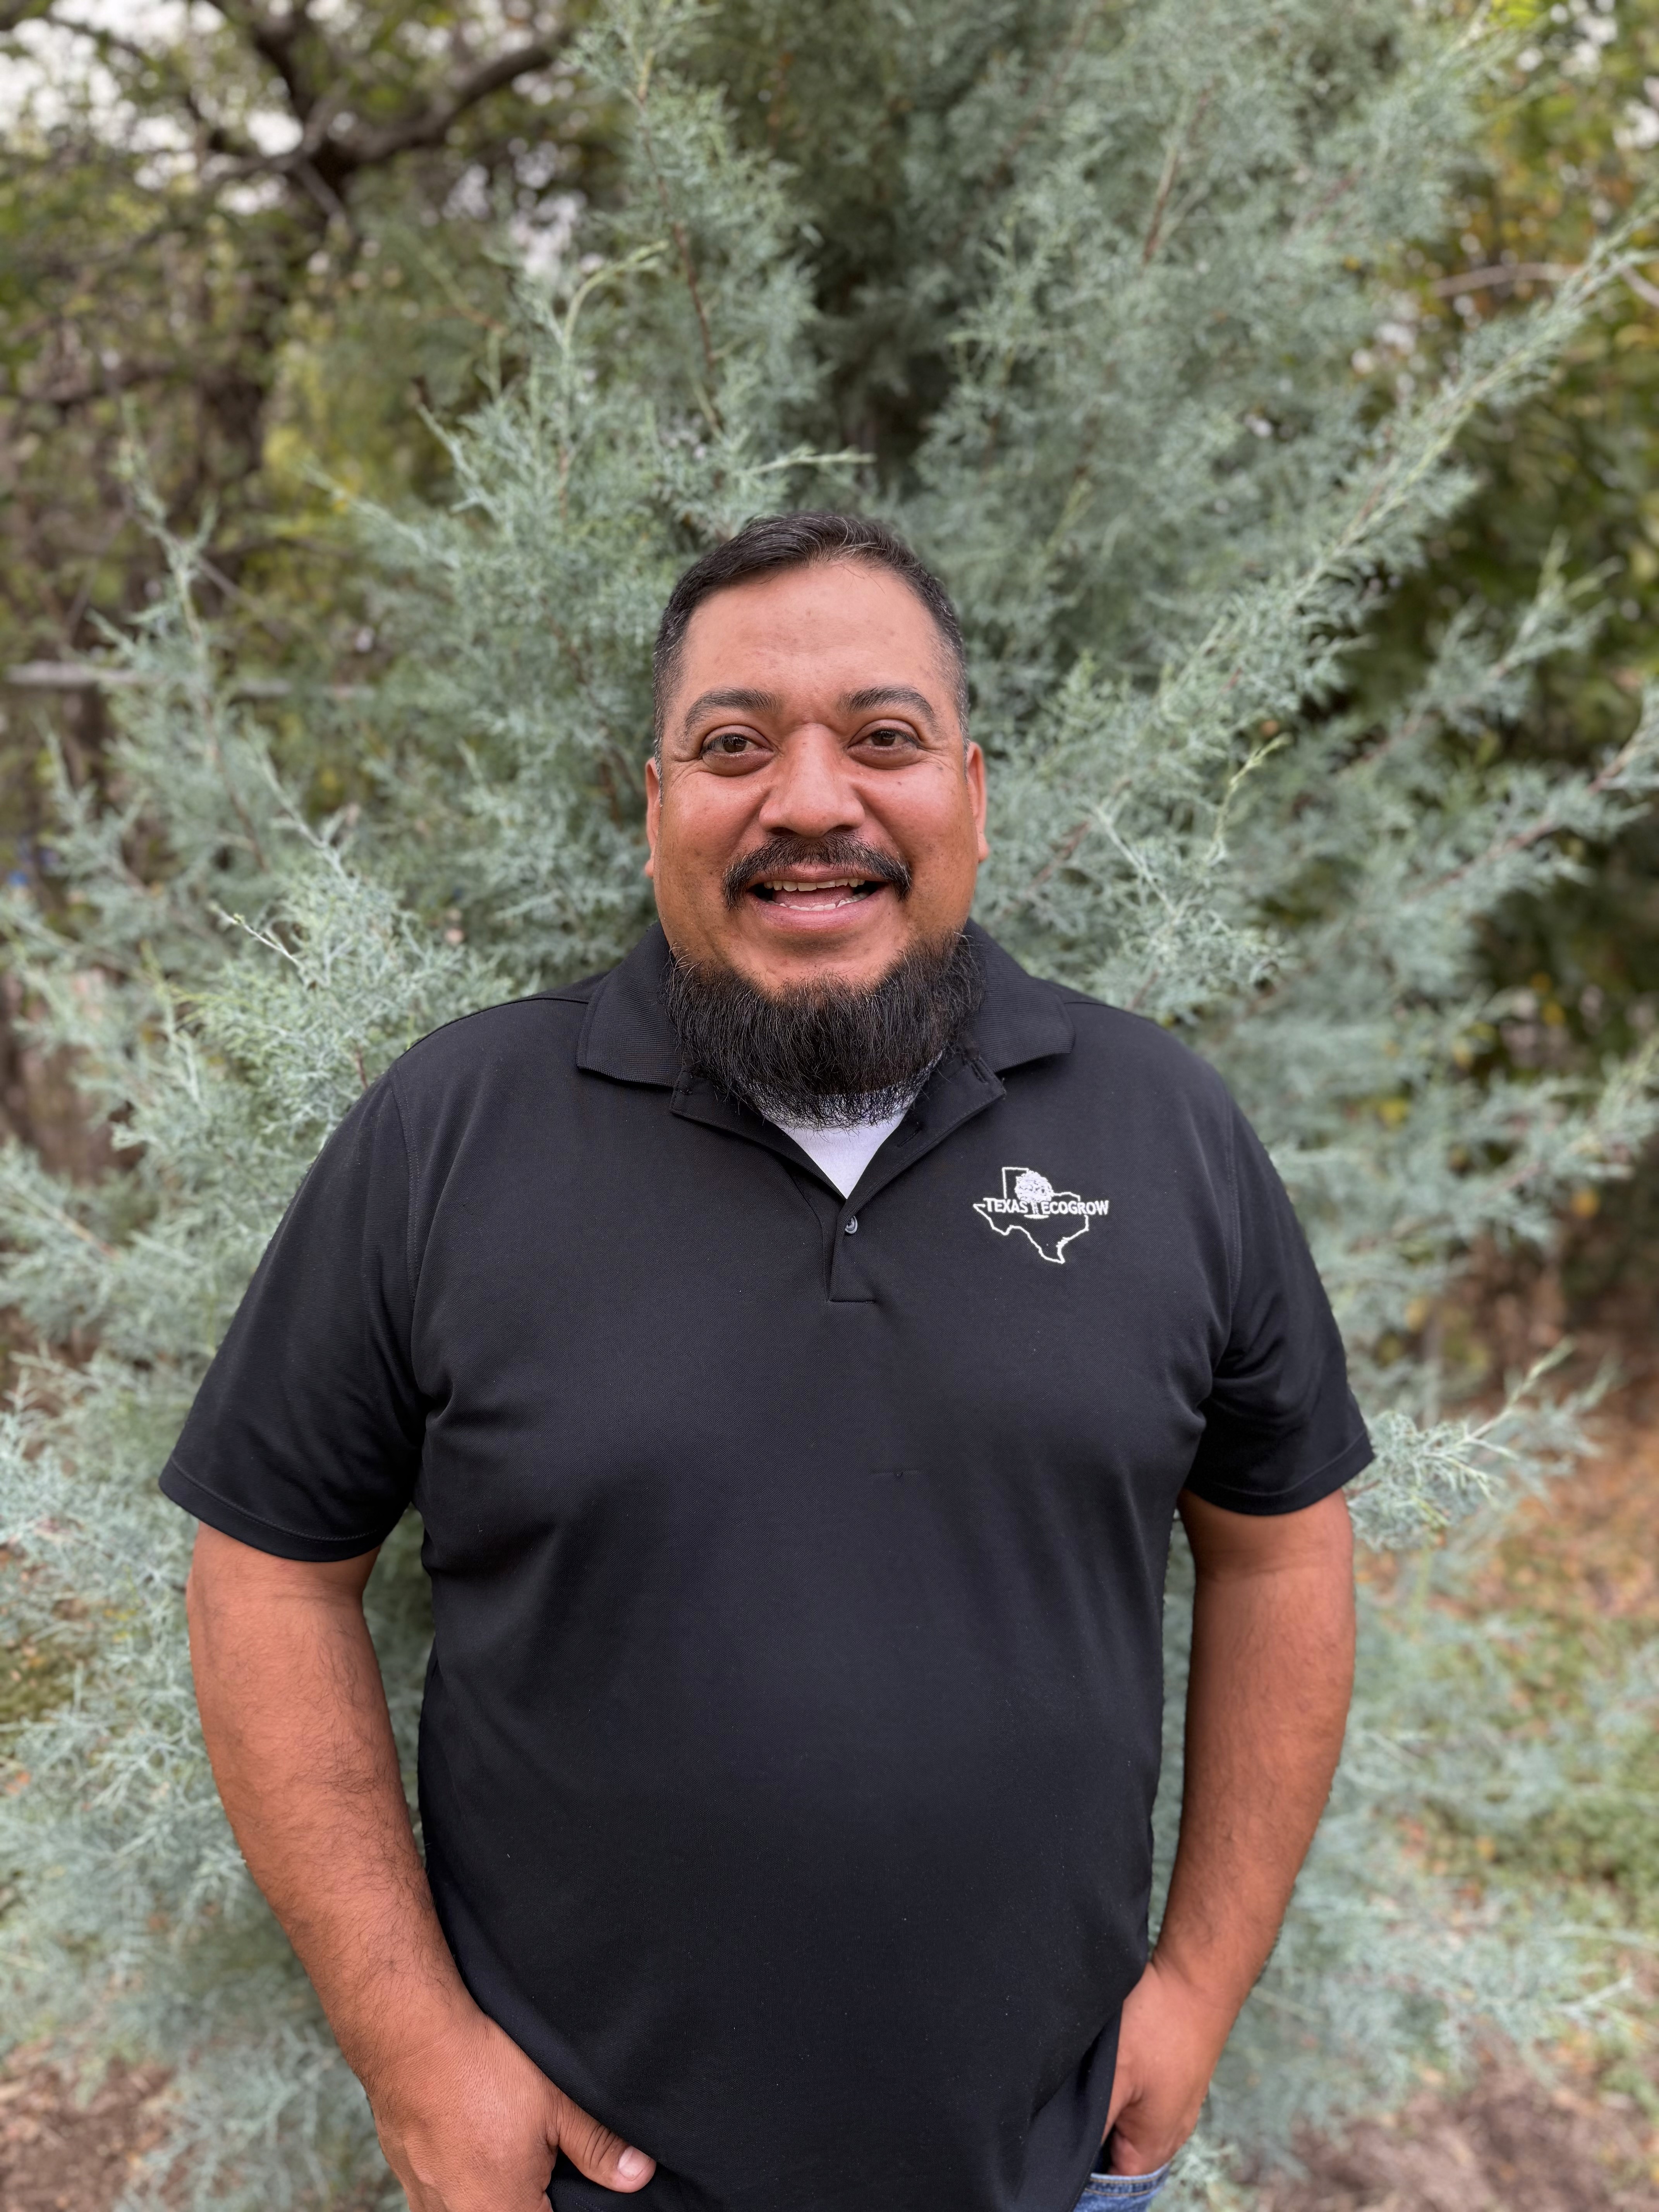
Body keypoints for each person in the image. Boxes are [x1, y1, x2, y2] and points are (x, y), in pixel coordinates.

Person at [165, 512, 1365, 2212]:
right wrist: (413, 2048)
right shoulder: (451, 1132)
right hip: (586, 2188)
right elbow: (269, 1571)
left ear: (971, 792)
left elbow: (1282, 1547)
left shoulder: (1162, 1127)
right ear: (655, 802)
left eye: (883, 738)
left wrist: (1203, 1980)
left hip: (1051, 2171)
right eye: (735, 746)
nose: (810, 800)